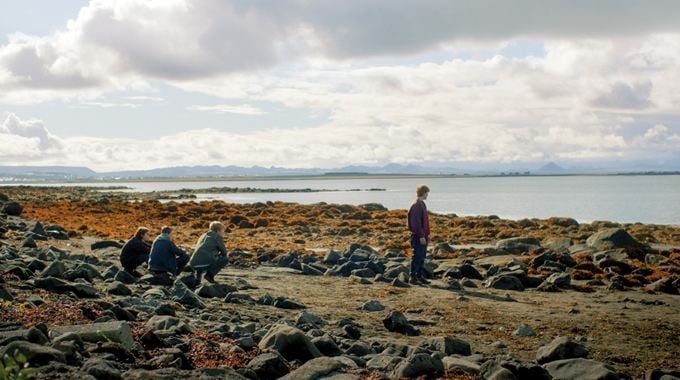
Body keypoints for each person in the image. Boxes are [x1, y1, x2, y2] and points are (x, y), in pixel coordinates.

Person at [189, 221, 229, 285]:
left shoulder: (203, 235)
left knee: (202, 255)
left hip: (193, 263)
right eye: (223, 231)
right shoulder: (217, 237)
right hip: (205, 263)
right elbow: (224, 252)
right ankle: (209, 275)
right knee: (225, 259)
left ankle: (197, 279)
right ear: (218, 231)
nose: (223, 233)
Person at [407, 184, 431, 285]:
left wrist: (427, 234)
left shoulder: (422, 204)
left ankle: (419, 276)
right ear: (423, 192)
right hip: (418, 236)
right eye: (427, 193)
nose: (427, 195)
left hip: (423, 235)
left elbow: (425, 221)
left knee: (422, 257)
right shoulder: (416, 205)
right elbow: (415, 223)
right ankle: (412, 277)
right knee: (417, 256)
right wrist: (421, 236)